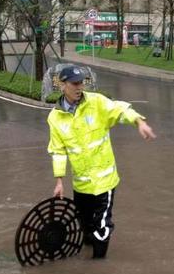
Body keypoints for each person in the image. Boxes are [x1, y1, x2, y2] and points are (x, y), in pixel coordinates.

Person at [47, 65, 156, 259]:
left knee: (102, 226)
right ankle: (88, 252)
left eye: (81, 82)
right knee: (84, 224)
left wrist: (139, 122)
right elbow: (58, 151)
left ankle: (98, 266)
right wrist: (59, 181)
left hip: (104, 182)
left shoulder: (97, 103)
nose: (79, 87)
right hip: (81, 184)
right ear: (62, 85)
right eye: (74, 83)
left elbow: (120, 110)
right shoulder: (55, 118)